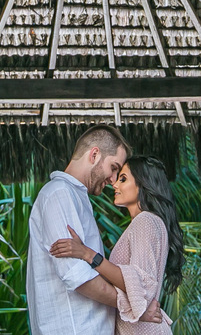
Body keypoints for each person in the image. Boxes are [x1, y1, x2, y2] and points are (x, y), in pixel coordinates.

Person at [27, 126, 164, 334]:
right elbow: (77, 276)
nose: (113, 179)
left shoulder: (77, 198)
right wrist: (135, 308)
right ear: (94, 154)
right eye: (114, 167)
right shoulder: (59, 194)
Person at [50, 156, 185, 334]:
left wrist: (88, 254)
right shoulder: (150, 222)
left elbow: (140, 285)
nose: (114, 184)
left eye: (123, 179)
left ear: (143, 183)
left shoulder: (145, 221)